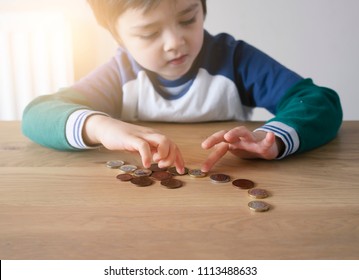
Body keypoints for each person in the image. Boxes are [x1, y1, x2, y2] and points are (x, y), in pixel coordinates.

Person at [22, 0, 342, 174]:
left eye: (188, 19)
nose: (176, 43)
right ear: (118, 36)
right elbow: (37, 114)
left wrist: (273, 137)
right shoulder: (118, 74)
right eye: (149, 33)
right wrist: (99, 126)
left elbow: (319, 101)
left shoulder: (236, 60)